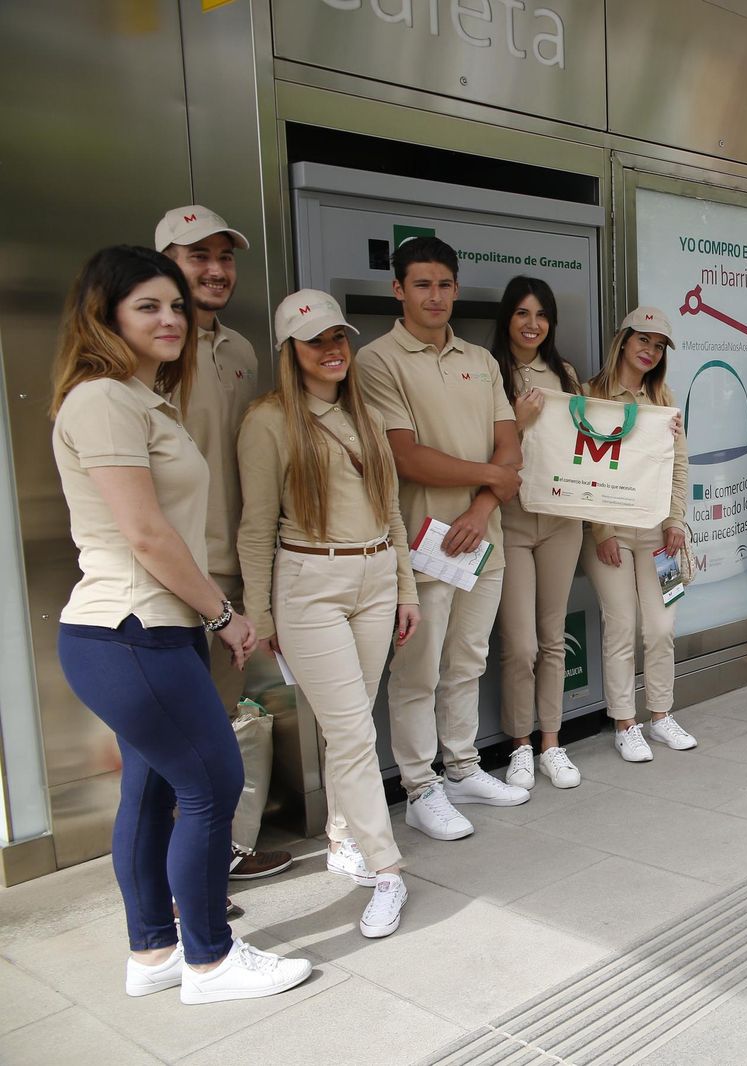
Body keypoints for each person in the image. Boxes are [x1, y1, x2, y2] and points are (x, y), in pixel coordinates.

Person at [51, 245, 311, 1003]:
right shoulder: (102, 400)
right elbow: (147, 534)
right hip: (131, 629)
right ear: (105, 316)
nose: (170, 319)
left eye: (174, 305)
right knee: (211, 783)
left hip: (137, 633)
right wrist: (225, 613)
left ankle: (155, 954)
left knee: (153, 790)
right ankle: (210, 959)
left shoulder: (138, 398)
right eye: (147, 307)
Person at [237, 290, 419, 939]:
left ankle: (345, 834)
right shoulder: (268, 421)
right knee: (350, 731)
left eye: (338, 336)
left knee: (350, 724)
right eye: (316, 341)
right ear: (290, 351)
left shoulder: (362, 414)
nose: (332, 349)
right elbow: (256, 527)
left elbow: (392, 510)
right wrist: (258, 615)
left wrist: (406, 589)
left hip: (374, 574)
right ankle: (387, 866)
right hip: (310, 580)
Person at [358, 236, 530, 842]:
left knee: (467, 660)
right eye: (422, 284)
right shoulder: (377, 361)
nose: (435, 295)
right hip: (424, 543)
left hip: (482, 537)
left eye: (445, 284)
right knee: (418, 670)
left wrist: (484, 506)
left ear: (457, 288)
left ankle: (460, 767)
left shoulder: (479, 360)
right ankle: (419, 786)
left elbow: (510, 442)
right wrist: (493, 478)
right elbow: (407, 458)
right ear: (398, 289)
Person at [155, 205, 291, 881]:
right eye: (195, 257)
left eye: (223, 256)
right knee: (180, 747)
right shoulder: (150, 356)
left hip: (235, 577)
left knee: (219, 730)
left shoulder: (240, 350)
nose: (214, 270)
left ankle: (223, 857)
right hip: (170, 583)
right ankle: (180, 890)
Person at [581, 308, 698, 757]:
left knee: (663, 624)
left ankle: (662, 716)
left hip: (658, 534)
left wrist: (674, 521)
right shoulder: (590, 394)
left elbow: (679, 465)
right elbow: (583, 468)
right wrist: (601, 530)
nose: (649, 351)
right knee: (622, 624)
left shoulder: (664, 398)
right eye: (643, 340)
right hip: (610, 533)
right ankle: (624, 723)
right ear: (624, 340)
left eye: (659, 345)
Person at [489, 277, 586, 791]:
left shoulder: (565, 373)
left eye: (541, 314)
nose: (532, 324)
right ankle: (518, 745)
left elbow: (589, 438)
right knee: (520, 645)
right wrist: (520, 421)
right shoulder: (490, 370)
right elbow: (482, 451)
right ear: (507, 317)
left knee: (553, 639)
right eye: (523, 313)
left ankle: (551, 742)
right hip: (510, 519)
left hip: (562, 520)